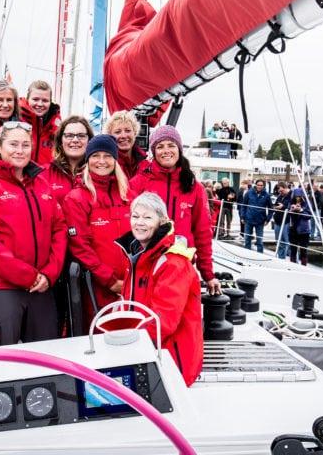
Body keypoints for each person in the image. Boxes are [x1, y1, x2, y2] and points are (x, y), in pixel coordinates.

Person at [0, 121, 67, 345]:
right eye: (13, 144)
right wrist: (26, 275)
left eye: (25, 145)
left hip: (41, 286)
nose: (20, 150)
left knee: (46, 356)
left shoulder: (41, 184)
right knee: (2, 363)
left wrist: (50, 273)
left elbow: (59, 228)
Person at [117, 192, 203, 386]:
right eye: (135, 216)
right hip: (148, 353)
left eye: (147, 217)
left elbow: (163, 321)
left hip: (171, 361)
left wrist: (129, 346)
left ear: (162, 221)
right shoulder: (139, 254)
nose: (139, 222)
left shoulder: (172, 262)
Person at [130, 125, 220, 294]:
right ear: (153, 151)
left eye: (171, 145)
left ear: (179, 149)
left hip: (182, 267)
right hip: (148, 266)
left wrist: (208, 274)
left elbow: (202, 232)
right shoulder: (139, 183)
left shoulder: (194, 187)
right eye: (160, 146)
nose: (166, 151)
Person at [63, 135, 135, 324]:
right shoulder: (77, 198)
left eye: (107, 156)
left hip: (131, 283)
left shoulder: (128, 195)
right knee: (100, 336)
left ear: (115, 160)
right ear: (87, 160)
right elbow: (80, 246)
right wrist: (110, 281)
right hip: (98, 286)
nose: (101, 161)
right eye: (95, 156)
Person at [44, 115, 94, 204]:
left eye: (81, 136)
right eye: (69, 135)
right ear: (60, 141)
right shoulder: (45, 173)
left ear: (89, 141)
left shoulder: (97, 173)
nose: (75, 140)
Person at [18, 80, 61, 167]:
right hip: (20, 177)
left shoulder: (57, 125)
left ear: (50, 102)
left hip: (46, 178)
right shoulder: (15, 119)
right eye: (35, 99)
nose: (40, 104)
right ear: (27, 99)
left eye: (45, 100)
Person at [104, 111, 147, 179]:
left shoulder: (145, 163)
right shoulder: (106, 165)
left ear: (135, 133)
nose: (123, 136)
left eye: (128, 131)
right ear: (109, 136)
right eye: (118, 132)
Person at [240, 179, 273, 253]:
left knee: (259, 240)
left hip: (260, 221)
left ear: (263, 186)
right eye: (258, 185)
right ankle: (247, 254)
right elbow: (243, 206)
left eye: (261, 185)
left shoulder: (266, 195)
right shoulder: (249, 193)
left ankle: (260, 255)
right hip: (249, 219)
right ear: (255, 185)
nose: (259, 187)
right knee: (247, 238)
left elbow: (271, 209)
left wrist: (268, 219)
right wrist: (242, 216)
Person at [287, 188, 312, 265]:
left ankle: (304, 267)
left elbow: (309, 216)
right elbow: (288, 214)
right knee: (293, 250)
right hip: (293, 228)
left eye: (299, 197)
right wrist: (292, 210)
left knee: (303, 250)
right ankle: (293, 265)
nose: (297, 199)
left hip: (304, 230)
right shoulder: (291, 203)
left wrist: (301, 210)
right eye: (296, 197)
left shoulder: (307, 203)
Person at [272, 183, 291, 259]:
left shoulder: (292, 195)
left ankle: (292, 260)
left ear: (286, 188)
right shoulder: (280, 196)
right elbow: (276, 204)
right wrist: (275, 207)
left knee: (288, 242)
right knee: (279, 242)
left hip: (286, 221)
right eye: (279, 191)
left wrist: (283, 207)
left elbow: (292, 206)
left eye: (282, 191)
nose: (280, 193)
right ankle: (281, 258)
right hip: (278, 221)